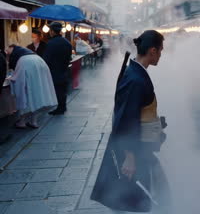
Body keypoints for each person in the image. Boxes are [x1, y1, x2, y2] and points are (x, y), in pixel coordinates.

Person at [91, 30, 165, 213]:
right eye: (161, 50)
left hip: (138, 145)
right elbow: (127, 118)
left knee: (137, 195)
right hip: (134, 149)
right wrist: (130, 157)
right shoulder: (136, 79)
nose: (162, 55)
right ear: (153, 51)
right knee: (139, 196)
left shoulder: (135, 72)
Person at [5, 45, 57, 128]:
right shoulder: (22, 50)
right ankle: (34, 121)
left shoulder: (15, 54)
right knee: (37, 93)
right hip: (39, 61)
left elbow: (17, 79)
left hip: (27, 64)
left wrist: (12, 78)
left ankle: (22, 122)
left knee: (26, 95)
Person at [43, 22, 73, 115]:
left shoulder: (51, 43)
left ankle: (60, 108)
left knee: (57, 90)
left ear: (52, 31)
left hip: (54, 71)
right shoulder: (67, 43)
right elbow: (69, 57)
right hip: (65, 69)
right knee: (62, 90)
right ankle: (62, 107)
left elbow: (46, 59)